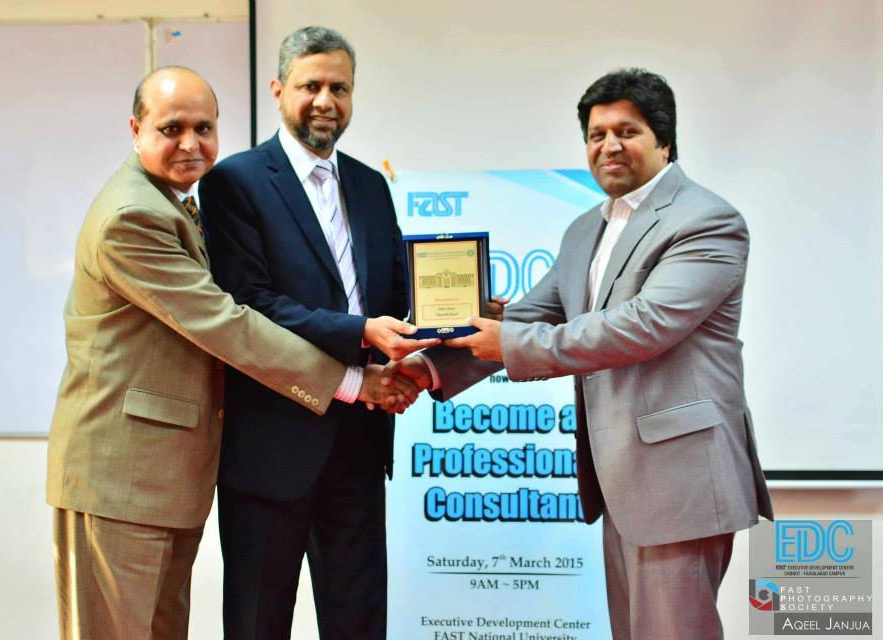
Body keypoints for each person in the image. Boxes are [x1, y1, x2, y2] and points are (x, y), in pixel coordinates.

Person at [388, 68, 773, 639]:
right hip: (622, 477)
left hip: (681, 479)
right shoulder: (584, 230)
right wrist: (425, 369)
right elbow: (531, 315)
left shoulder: (706, 220)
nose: (608, 146)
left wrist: (509, 343)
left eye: (627, 131)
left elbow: (642, 326)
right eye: (597, 135)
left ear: (665, 141)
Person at [46, 66, 415, 640]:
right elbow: (227, 324)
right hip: (120, 480)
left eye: (204, 127)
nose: (190, 144)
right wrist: (352, 381)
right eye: (171, 128)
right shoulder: (133, 216)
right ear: (136, 130)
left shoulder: (175, 204)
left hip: (164, 478)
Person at [199, 26, 437, 640]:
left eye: (340, 88)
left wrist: (458, 314)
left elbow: (396, 295)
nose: (326, 101)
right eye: (311, 86)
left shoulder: (370, 185)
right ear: (279, 90)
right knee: (258, 623)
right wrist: (364, 333)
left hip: (360, 442)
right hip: (270, 447)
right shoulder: (234, 182)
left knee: (360, 621)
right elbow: (250, 305)